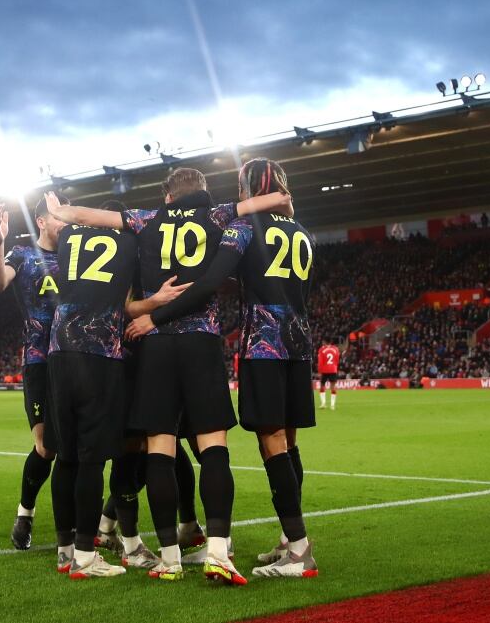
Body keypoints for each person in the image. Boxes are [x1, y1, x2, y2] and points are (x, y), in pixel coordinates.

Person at [47, 168, 290, 584]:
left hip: (155, 344)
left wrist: (61, 208)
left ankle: (170, 559)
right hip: (201, 341)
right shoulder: (217, 214)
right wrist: (282, 198)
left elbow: (89, 217)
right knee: (213, 448)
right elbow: (271, 199)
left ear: (167, 194)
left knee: (160, 448)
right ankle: (218, 552)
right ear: (204, 192)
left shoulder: (146, 218)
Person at [129, 158, 319, 579]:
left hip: (264, 345)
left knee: (271, 442)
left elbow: (212, 279)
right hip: (300, 340)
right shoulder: (302, 231)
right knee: (288, 442)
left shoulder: (243, 227)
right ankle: (290, 541)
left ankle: (300, 549)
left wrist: (155, 315)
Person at [43, 192, 139, 580]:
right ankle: (85, 555)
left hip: (59, 351)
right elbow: (128, 299)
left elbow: (52, 242)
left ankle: (65, 549)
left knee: (64, 456)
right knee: (92, 458)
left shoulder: (67, 237)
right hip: (99, 354)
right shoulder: (131, 239)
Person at [0, 198, 66, 551]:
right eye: (58, 215)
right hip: (39, 361)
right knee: (46, 447)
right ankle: (25, 514)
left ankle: (83, 528)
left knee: (73, 447)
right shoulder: (22, 255)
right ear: (41, 221)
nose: (65, 221)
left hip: (75, 360)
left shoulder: (78, 255)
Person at [317, 338, 341, 410]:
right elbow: (337, 360)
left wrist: (319, 371)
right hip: (333, 369)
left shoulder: (322, 349)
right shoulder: (336, 349)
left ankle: (323, 403)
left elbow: (320, 361)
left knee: (322, 386)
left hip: (324, 370)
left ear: (324, 342)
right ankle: (332, 405)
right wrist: (335, 367)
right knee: (333, 387)